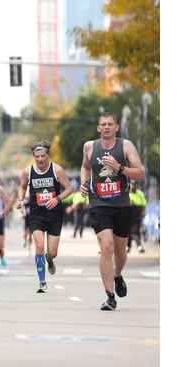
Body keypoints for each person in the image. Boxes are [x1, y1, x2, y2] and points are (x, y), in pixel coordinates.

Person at [79, 112, 145, 311]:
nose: (106, 127)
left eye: (110, 124)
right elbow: (85, 167)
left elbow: (140, 173)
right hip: (99, 204)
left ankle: (117, 275)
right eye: (103, 124)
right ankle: (110, 296)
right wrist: (84, 182)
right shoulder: (90, 147)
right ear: (98, 128)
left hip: (121, 205)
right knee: (106, 247)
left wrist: (119, 167)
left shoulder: (126, 146)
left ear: (116, 128)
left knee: (120, 252)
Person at [14, 139, 72, 293]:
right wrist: (20, 199)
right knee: (39, 246)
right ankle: (42, 282)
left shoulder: (57, 170)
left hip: (55, 216)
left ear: (48, 154)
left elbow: (69, 189)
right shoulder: (28, 171)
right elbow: (22, 187)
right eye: (37, 156)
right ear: (33, 156)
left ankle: (50, 258)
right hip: (36, 215)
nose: (40, 159)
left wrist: (57, 198)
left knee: (52, 252)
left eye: (42, 156)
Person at [127, 181, 147, 253]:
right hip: (128, 215)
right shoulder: (127, 192)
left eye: (134, 184)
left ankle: (139, 245)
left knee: (137, 231)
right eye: (132, 184)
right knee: (128, 231)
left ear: (137, 185)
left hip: (137, 215)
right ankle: (128, 246)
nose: (133, 186)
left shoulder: (140, 194)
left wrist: (141, 215)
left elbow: (144, 205)